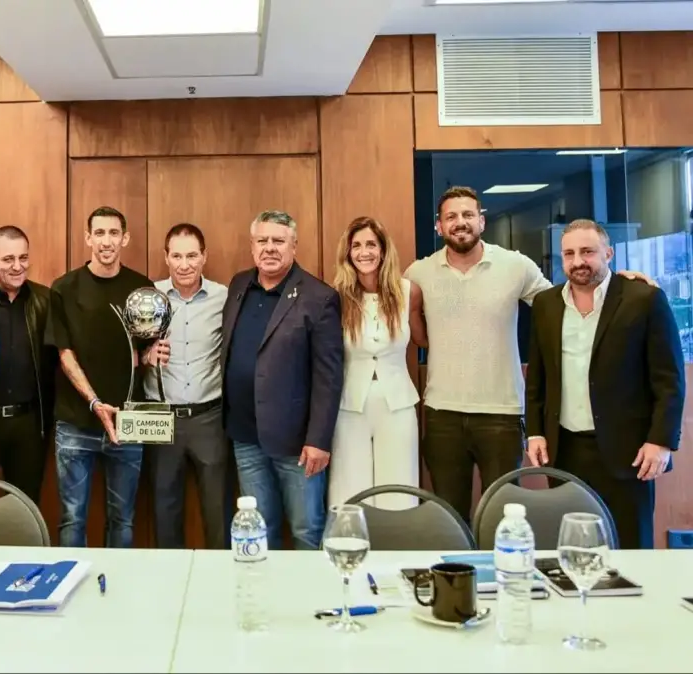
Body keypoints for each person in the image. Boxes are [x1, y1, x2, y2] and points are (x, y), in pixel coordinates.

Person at [406, 185, 655, 522]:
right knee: (449, 516)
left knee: (501, 517)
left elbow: (563, 300)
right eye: (451, 216)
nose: (460, 222)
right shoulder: (418, 272)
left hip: (502, 415)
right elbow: (413, 328)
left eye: (467, 215)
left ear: (482, 221)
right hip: (441, 414)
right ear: (439, 226)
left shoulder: (515, 266)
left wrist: (616, 282)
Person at [526, 220, 684, 550]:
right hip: (565, 448)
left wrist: (661, 441)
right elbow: (539, 377)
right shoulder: (547, 304)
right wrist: (536, 431)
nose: (578, 261)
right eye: (569, 253)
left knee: (630, 548)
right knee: (572, 549)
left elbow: (669, 379)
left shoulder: (644, 299)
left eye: (587, 251)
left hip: (629, 451)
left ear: (609, 254)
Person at [222, 210, 344, 550]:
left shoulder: (319, 298)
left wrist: (319, 439)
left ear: (293, 245)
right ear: (252, 245)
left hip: (297, 444)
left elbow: (329, 376)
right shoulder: (238, 285)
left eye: (278, 241)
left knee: (306, 531)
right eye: (263, 240)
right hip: (245, 435)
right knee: (260, 530)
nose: (270, 248)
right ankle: (267, 602)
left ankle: (311, 604)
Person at [46, 206, 152, 548]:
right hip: (76, 424)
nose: (107, 241)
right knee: (72, 517)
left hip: (128, 422)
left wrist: (150, 355)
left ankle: (118, 594)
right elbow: (64, 355)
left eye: (114, 233)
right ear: (88, 238)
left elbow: (146, 350)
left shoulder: (142, 288)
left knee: (123, 519)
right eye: (100, 233)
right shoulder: (64, 287)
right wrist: (95, 403)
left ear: (125, 238)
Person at [140, 223, 232, 549]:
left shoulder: (224, 297)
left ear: (204, 256)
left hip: (210, 417)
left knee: (218, 512)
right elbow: (118, 349)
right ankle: (169, 590)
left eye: (192, 255)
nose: (184, 264)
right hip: (161, 418)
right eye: (177, 255)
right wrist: (144, 354)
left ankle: (223, 587)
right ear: (166, 257)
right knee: (164, 513)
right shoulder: (148, 295)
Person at [329, 217, 427, 510]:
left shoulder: (409, 292)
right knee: (348, 490)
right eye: (356, 246)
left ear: (383, 250)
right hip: (349, 405)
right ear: (347, 254)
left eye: (371, 244)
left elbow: (424, 339)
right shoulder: (336, 298)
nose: (364, 252)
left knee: (399, 490)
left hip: (397, 403)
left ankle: (396, 552)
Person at [0, 226, 56, 504]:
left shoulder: (45, 300)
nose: (18, 267)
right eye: (8, 259)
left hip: (29, 426)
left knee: (26, 508)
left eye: (23, 258)